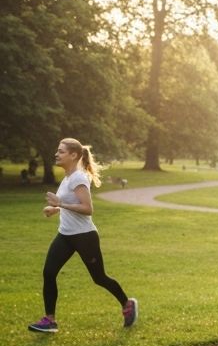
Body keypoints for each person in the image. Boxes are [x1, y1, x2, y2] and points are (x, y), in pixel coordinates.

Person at [27, 138, 138, 333]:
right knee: (49, 272)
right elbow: (71, 204)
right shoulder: (68, 178)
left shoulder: (79, 177)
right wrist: (55, 209)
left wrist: (60, 204)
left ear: (73, 155)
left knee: (99, 277)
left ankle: (127, 303)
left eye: (61, 151)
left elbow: (87, 209)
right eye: (57, 151)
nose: (56, 154)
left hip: (84, 236)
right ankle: (49, 320)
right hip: (65, 236)